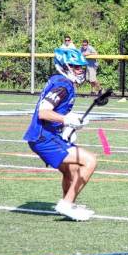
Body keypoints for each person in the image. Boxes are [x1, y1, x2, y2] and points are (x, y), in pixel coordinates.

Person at [23, 47, 96, 221]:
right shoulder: (63, 85)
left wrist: (66, 129)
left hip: (46, 135)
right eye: (76, 67)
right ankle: (66, 204)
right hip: (43, 138)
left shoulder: (61, 81)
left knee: (71, 169)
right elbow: (43, 112)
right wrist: (67, 121)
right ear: (65, 66)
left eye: (81, 67)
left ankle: (67, 203)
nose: (80, 70)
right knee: (90, 160)